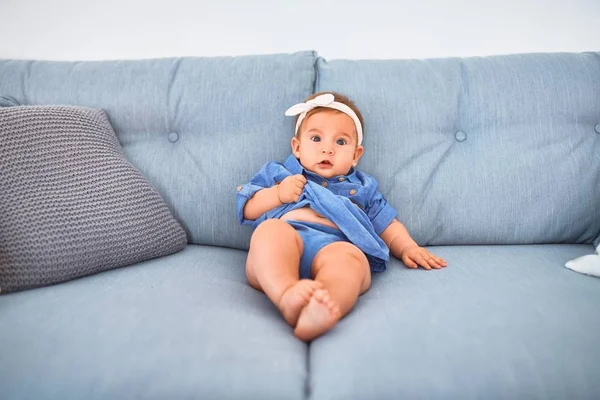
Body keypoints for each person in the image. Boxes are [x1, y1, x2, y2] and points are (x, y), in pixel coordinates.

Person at [236, 92, 447, 341]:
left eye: (341, 142)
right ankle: (286, 294)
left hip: (336, 245)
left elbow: (387, 223)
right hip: (288, 236)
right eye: (316, 138)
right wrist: (278, 194)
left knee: (351, 260)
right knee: (270, 232)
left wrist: (408, 247)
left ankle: (323, 305)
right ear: (297, 147)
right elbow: (247, 208)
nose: (327, 149)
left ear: (356, 155)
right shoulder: (280, 173)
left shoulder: (363, 187)